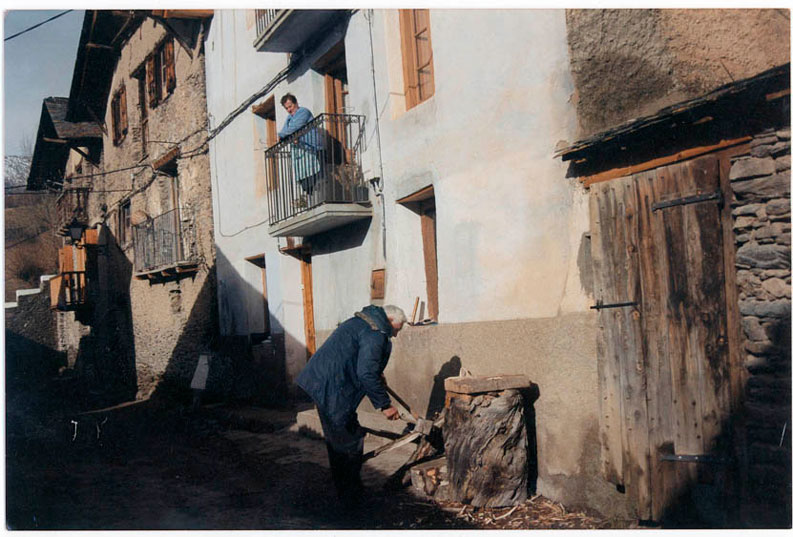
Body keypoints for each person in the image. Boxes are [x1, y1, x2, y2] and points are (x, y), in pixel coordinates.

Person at [296, 304, 407, 507]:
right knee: (348, 439)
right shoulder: (376, 332)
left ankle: (349, 491)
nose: (396, 335)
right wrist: (385, 405)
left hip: (324, 383)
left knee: (341, 438)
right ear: (390, 321)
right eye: (397, 329)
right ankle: (350, 498)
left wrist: (376, 373)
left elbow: (360, 359)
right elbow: (365, 372)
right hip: (331, 388)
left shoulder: (362, 322)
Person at [278, 93, 322, 196]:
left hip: (311, 149)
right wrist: (284, 136)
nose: (289, 110)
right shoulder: (289, 118)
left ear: (296, 103)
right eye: (286, 108)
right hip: (300, 152)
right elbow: (286, 130)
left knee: (314, 176)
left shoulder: (303, 112)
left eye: (290, 106)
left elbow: (295, 127)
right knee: (305, 181)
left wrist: (282, 135)